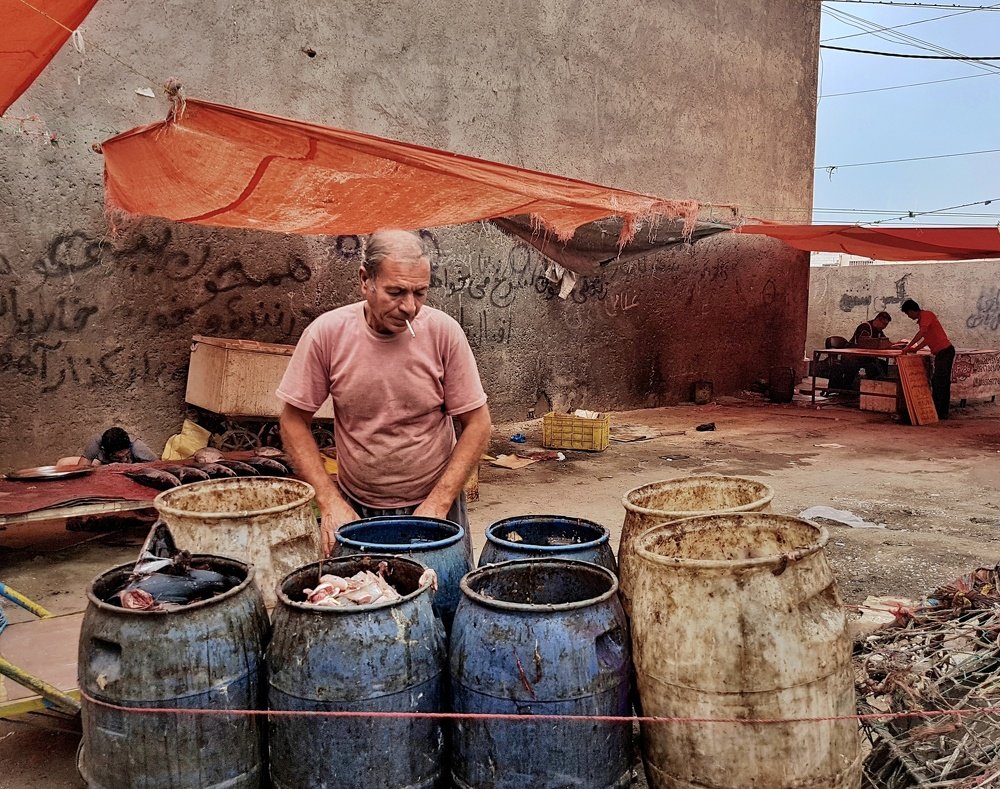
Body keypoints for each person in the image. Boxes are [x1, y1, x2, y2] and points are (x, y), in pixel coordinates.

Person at [277, 228, 492, 558]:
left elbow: (478, 424)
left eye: (420, 293)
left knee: (441, 601)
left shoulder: (443, 333)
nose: (409, 307)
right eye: (396, 292)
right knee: (360, 599)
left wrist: (440, 502)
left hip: (434, 504)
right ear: (365, 280)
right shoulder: (327, 334)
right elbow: (293, 421)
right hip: (356, 508)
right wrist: (329, 500)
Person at [900, 299, 955, 419]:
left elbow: (922, 333)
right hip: (943, 352)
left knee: (939, 382)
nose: (909, 317)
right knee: (942, 382)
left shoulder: (926, 315)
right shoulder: (925, 318)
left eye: (908, 314)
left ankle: (939, 410)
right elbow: (927, 338)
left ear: (911, 311)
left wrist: (909, 346)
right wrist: (915, 348)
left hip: (944, 351)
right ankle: (942, 411)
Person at [850, 310, 893, 380]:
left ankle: (882, 383)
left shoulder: (878, 330)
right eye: (884, 324)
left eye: (886, 325)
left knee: (883, 364)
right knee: (874, 366)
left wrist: (896, 344)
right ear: (877, 320)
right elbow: (865, 344)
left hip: (867, 356)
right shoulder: (865, 327)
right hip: (855, 356)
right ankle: (874, 384)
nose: (885, 327)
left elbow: (885, 341)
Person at [80, 427, 157, 465]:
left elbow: (160, 466)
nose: (123, 460)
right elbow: (81, 468)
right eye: (117, 457)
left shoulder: (137, 447)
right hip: (107, 468)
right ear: (104, 450)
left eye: (126, 455)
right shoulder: (96, 443)